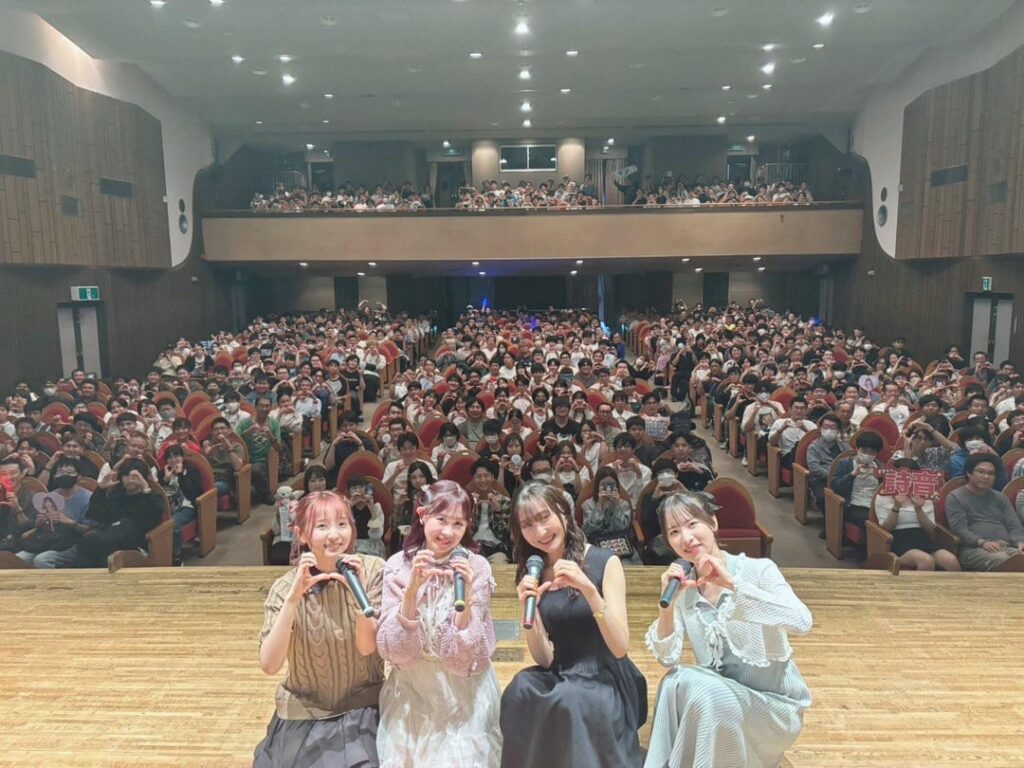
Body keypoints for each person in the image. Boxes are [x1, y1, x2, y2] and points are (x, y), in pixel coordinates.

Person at [645, 492, 812, 768]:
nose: (686, 538)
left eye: (692, 524)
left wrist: (734, 585)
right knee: (674, 680)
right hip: (721, 701)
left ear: (713, 522)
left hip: (773, 708)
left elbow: (802, 621)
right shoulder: (686, 589)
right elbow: (666, 657)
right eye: (674, 531)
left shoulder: (757, 571)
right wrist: (666, 605)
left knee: (707, 693)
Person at [501, 482, 647, 768]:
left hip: (605, 673)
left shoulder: (605, 561)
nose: (540, 531)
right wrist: (527, 611)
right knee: (519, 689)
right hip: (562, 671)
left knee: (571, 698)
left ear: (564, 515)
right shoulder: (532, 572)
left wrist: (589, 590)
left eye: (545, 517)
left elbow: (619, 648)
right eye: (528, 524)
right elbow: (544, 659)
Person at [376, 480, 502, 766]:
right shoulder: (398, 565)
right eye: (440, 520)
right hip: (411, 691)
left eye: (458, 524)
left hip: (463, 692)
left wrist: (467, 599)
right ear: (422, 515)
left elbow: (465, 659)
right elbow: (395, 653)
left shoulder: (477, 567)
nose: (448, 532)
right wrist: (411, 592)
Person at [254, 492, 385, 767]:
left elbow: (367, 647)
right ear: (301, 534)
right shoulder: (283, 588)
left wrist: (356, 594)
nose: (335, 535)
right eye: (322, 526)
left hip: (362, 709)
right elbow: (269, 664)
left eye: (342, 524)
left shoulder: (373, 572)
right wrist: (293, 599)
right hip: (305, 713)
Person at [75, 458, 165, 567]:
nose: (130, 480)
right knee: (89, 558)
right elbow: (95, 515)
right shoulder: (117, 496)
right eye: (126, 475)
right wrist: (101, 489)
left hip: (135, 545)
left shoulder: (152, 498)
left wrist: (146, 489)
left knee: (94, 547)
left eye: (135, 476)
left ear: (143, 478)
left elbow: (152, 520)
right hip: (109, 542)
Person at [874, 459, 960, 572]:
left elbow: (930, 529)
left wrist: (919, 508)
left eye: (911, 476)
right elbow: (887, 528)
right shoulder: (884, 495)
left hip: (922, 538)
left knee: (951, 561)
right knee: (926, 561)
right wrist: (896, 506)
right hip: (897, 540)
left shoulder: (924, 495)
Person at [945, 454, 1024, 571]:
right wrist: (982, 542)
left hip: (1006, 546)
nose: (986, 476)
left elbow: (1014, 526)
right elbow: (960, 529)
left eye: (991, 473)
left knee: (1017, 559)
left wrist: (1020, 542)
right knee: (1006, 561)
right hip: (973, 549)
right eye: (981, 472)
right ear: (969, 473)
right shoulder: (955, 497)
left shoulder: (1000, 497)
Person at [829, 430, 885, 546]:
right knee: (870, 521)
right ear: (857, 449)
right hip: (853, 505)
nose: (868, 455)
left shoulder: (880, 467)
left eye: (872, 452)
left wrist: (881, 477)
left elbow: (885, 488)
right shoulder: (846, 464)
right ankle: (865, 552)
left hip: (875, 504)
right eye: (865, 451)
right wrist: (852, 475)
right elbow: (835, 486)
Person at [581, 466, 639, 563]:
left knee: (628, 564)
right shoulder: (588, 505)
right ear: (597, 486)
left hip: (620, 543)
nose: (608, 489)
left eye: (612, 485)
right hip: (596, 543)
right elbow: (588, 530)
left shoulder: (623, 504)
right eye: (604, 485)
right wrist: (600, 506)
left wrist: (616, 507)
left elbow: (622, 528)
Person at [237, 396, 283, 504]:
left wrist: (270, 436)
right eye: (261, 406)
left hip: (261, 459)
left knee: (256, 470)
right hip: (243, 456)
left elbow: (279, 449)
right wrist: (248, 432)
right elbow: (235, 441)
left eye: (267, 406)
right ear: (255, 407)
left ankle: (266, 494)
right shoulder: (245, 423)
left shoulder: (274, 423)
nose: (264, 409)